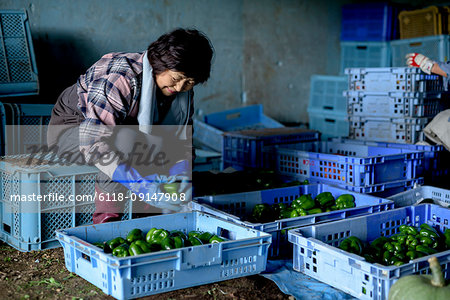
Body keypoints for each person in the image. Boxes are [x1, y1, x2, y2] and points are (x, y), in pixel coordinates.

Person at [46, 28, 214, 223]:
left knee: (151, 141)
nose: (179, 87)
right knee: (126, 140)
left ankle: (148, 217)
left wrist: (181, 171)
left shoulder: (183, 93)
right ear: (161, 63)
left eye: (189, 82)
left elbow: (182, 140)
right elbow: (93, 143)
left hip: (125, 130)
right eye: (176, 79)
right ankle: (107, 221)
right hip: (74, 129)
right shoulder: (120, 78)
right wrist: (137, 183)